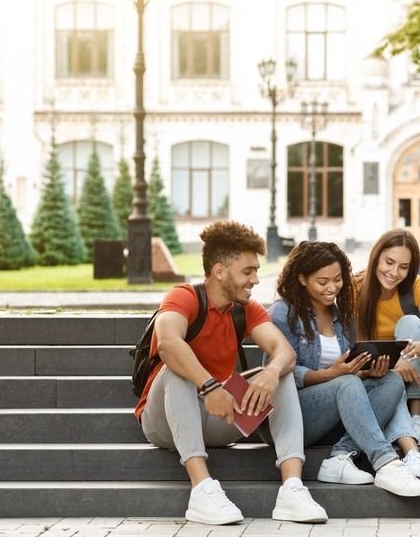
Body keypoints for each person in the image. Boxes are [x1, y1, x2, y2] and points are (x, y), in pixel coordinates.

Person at [135, 221, 328, 525]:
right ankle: (202, 490)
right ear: (219, 271)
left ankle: (292, 489)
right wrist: (210, 387)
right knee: (176, 370)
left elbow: (285, 352)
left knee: (282, 374)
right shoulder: (183, 296)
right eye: (247, 271)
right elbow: (169, 344)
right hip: (165, 421)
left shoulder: (245, 308)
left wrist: (270, 371)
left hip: (219, 417)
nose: (254, 279)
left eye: (256, 270)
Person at [269, 241, 420, 497]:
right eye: (322, 282)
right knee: (347, 383)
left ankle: (340, 456)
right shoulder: (283, 313)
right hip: (295, 416)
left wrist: (365, 370)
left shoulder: (341, 315)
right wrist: (329, 375)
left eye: (338, 279)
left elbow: (348, 369)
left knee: (391, 382)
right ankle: (385, 461)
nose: (332, 288)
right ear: (301, 278)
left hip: (338, 412)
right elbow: (280, 373)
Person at [355, 229, 420, 447]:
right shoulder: (356, 286)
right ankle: (405, 434)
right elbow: (359, 348)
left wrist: (409, 352)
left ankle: (417, 416)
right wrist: (395, 364)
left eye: (403, 267)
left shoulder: (418, 285)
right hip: (381, 374)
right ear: (376, 257)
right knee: (391, 382)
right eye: (389, 262)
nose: (394, 272)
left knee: (410, 323)